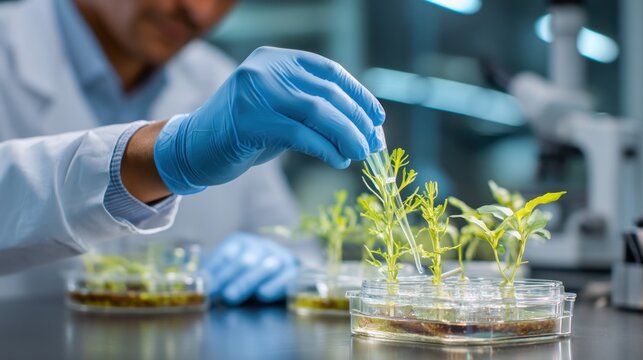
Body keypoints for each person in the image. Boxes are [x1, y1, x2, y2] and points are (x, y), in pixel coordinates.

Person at [0, 0, 385, 304]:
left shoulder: (222, 83)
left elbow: (294, 250)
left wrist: (281, 263)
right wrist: (166, 155)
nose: (199, 11)